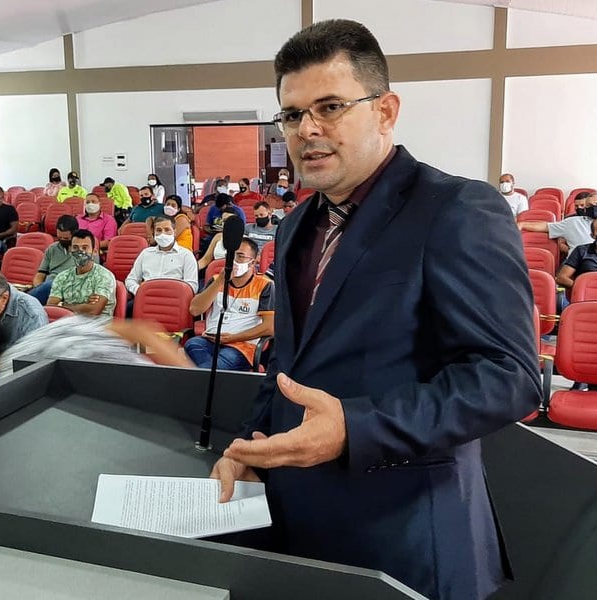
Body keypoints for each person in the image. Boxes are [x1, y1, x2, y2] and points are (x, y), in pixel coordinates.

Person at [208, 20, 539, 600]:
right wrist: (250, 447)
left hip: (405, 533)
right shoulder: (294, 226)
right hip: (297, 526)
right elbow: (289, 363)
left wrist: (355, 428)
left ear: (386, 111)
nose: (308, 129)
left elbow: (508, 378)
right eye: (292, 114)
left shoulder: (457, 209)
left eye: (330, 107)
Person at [0, 316, 194, 389]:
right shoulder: (31, 341)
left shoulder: (7, 383)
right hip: (155, 379)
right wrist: (187, 373)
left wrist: (190, 381)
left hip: (146, 390)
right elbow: (140, 331)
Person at [186, 238, 274, 371]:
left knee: (213, 365)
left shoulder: (265, 285)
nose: (233, 261)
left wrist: (232, 338)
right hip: (210, 340)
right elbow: (195, 310)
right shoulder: (216, 280)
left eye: (240, 256)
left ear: (253, 262)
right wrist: (220, 281)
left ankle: (201, 376)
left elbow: (269, 327)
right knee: (192, 344)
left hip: (242, 346)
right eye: (230, 256)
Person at [519, 192, 597, 261]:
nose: (594, 207)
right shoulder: (572, 222)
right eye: (590, 205)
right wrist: (523, 224)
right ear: (585, 208)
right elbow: (546, 227)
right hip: (580, 268)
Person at [125, 215, 199, 304]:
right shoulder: (146, 253)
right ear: (154, 233)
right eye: (159, 230)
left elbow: (192, 286)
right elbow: (130, 279)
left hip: (174, 301)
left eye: (167, 230)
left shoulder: (186, 255)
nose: (163, 234)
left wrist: (173, 295)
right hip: (146, 299)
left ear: (174, 232)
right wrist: (139, 291)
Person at [47, 229, 117, 317]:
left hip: (97, 324)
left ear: (94, 252)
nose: (80, 252)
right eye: (75, 247)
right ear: (70, 251)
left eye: (84, 248)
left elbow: (93, 311)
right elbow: (52, 307)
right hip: (66, 322)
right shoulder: (62, 276)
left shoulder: (104, 276)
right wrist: (85, 305)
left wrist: (62, 305)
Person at [28, 215, 82, 305]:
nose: (62, 241)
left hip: (69, 288)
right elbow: (40, 274)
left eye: (66, 239)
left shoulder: (84, 251)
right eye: (60, 238)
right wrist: (38, 287)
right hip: (48, 287)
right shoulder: (52, 248)